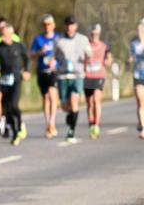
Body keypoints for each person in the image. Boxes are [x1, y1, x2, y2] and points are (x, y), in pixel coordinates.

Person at [52, 16, 92, 144]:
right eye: (68, 25)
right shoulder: (58, 40)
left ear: (76, 26)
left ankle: (71, 131)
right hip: (63, 75)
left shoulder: (83, 39)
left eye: (72, 25)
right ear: (65, 26)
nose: (70, 27)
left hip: (77, 75)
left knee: (75, 101)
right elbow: (53, 56)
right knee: (64, 105)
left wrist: (88, 57)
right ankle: (69, 114)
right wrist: (52, 63)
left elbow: (89, 55)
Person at [0, 23, 30, 146]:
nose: (3, 37)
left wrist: (27, 71)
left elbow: (27, 58)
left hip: (17, 79)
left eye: (5, 34)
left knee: (14, 105)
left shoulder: (19, 46)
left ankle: (19, 126)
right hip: (4, 79)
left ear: (11, 35)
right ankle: (14, 133)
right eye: (2, 34)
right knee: (7, 108)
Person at [0, 16, 21, 139]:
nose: (2, 29)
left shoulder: (15, 38)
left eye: (4, 26)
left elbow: (19, 53)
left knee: (7, 102)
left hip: (9, 75)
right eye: (0, 27)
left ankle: (6, 124)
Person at [30, 14, 60, 137]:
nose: (47, 27)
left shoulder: (58, 38)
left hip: (53, 71)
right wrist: (39, 52)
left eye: (49, 24)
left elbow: (64, 54)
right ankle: (47, 123)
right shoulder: (38, 39)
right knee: (46, 97)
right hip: (42, 71)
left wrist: (56, 60)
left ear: (53, 25)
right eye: (45, 25)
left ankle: (52, 122)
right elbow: (31, 55)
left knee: (53, 94)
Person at [83, 24, 112, 139]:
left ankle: (96, 124)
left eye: (96, 33)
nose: (94, 35)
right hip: (87, 76)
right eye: (92, 33)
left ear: (99, 33)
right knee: (89, 102)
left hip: (99, 75)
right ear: (90, 34)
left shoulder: (104, 46)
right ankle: (91, 123)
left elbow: (109, 57)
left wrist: (107, 61)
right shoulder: (85, 46)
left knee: (96, 100)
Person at [129, 18, 144, 140]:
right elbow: (131, 57)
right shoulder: (134, 44)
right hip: (138, 75)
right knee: (140, 100)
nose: (141, 30)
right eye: (139, 28)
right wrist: (131, 60)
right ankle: (143, 127)